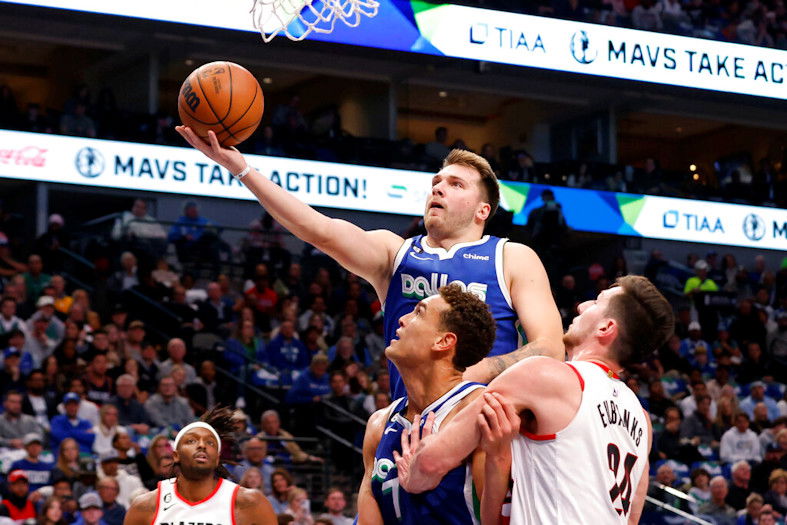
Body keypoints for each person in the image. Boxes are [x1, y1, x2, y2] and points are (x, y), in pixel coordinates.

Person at [176, 127, 563, 400]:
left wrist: (479, 372)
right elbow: (317, 229)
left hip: (483, 427)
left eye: (456, 184)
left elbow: (550, 348)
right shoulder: (395, 253)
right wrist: (240, 169)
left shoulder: (511, 256)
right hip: (407, 428)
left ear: (483, 210)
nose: (438, 188)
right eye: (436, 182)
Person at [392, 275, 674, 524]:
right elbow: (631, 516)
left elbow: (430, 464)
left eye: (596, 303)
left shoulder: (543, 375)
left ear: (605, 328)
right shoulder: (642, 419)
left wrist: (412, 473)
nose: (582, 306)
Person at [357, 284, 496, 523]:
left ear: (444, 341)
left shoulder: (479, 410)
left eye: (418, 313)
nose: (401, 319)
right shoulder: (379, 423)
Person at [123, 407, 276, 525]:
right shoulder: (145, 506)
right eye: (191, 441)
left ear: (217, 459)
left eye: (210, 443)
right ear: (176, 455)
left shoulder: (250, 503)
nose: (202, 445)